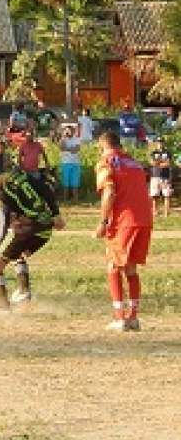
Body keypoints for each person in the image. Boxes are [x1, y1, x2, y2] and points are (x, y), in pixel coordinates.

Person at [0, 154, 65, 310]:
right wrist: (56, 214)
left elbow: (2, 218)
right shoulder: (17, 173)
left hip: (26, 227)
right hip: (45, 228)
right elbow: (45, 188)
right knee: (17, 254)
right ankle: (24, 292)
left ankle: (3, 307)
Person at [94, 131, 153, 332]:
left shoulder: (106, 162)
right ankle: (133, 317)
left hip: (124, 221)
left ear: (102, 147)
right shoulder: (135, 163)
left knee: (113, 265)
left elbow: (109, 192)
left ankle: (119, 318)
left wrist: (103, 221)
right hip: (144, 219)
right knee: (131, 268)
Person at [148, 136, 173, 217]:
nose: (160, 143)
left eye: (161, 142)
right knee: (154, 195)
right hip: (155, 176)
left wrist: (158, 163)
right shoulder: (153, 153)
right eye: (158, 142)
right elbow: (152, 163)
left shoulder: (167, 153)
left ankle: (166, 213)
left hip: (165, 176)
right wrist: (162, 163)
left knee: (167, 195)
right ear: (157, 143)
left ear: (163, 143)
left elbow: (168, 163)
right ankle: (155, 212)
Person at [59, 125, 82, 203]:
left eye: (70, 130)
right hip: (65, 163)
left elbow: (76, 149)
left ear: (74, 131)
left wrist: (67, 149)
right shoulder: (63, 139)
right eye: (67, 130)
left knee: (75, 183)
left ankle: (76, 200)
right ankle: (65, 200)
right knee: (66, 183)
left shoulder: (77, 139)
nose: (69, 132)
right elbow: (61, 148)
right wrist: (63, 137)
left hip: (76, 163)